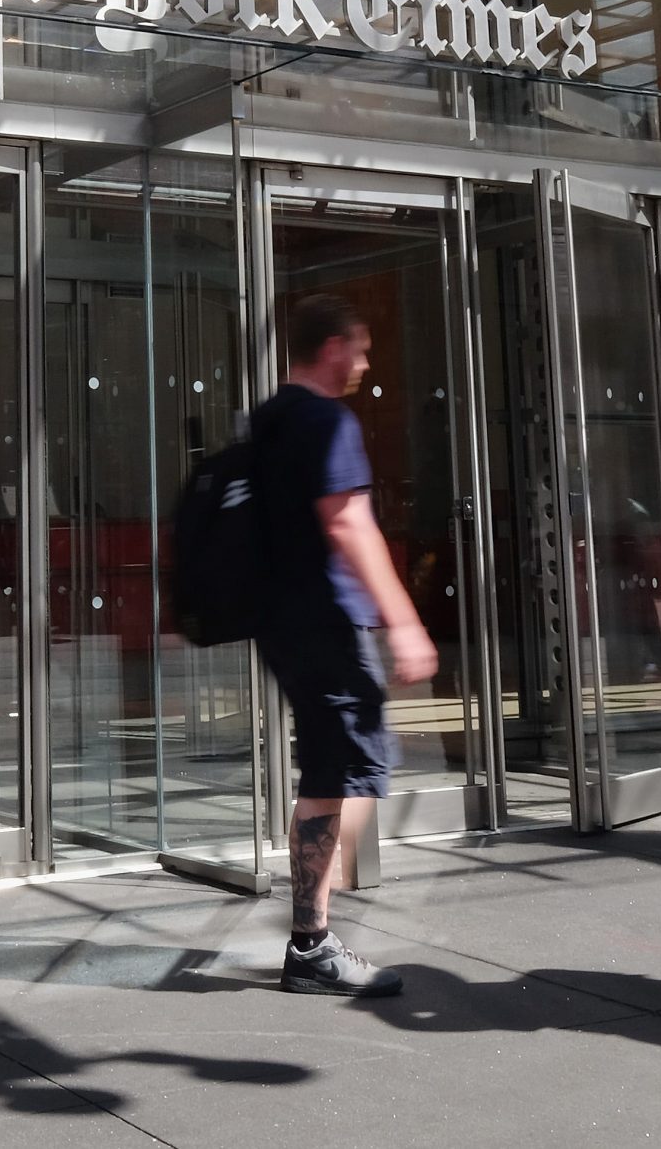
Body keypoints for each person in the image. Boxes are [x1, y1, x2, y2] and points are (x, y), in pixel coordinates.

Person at [250, 292, 439, 997]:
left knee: (335, 767)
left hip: (282, 621)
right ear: (331, 348)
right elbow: (349, 523)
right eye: (358, 347)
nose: (363, 362)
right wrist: (405, 620)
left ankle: (313, 928)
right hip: (329, 618)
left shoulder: (267, 419)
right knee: (342, 766)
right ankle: (311, 943)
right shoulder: (327, 420)